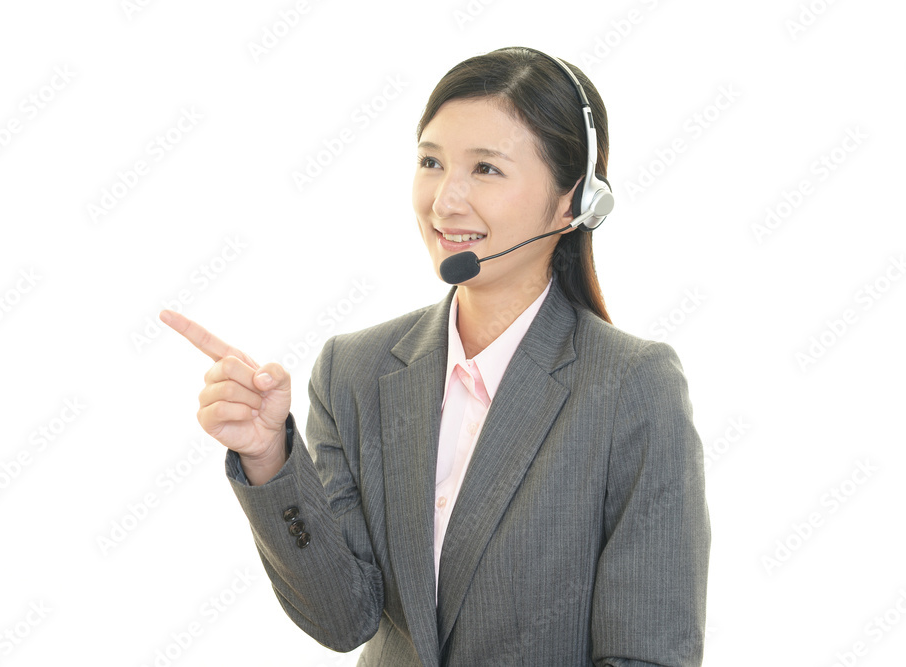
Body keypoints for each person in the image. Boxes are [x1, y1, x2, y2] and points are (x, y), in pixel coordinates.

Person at [161, 46, 711, 666]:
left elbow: (650, 652)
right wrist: (268, 457)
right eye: (431, 162)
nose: (445, 200)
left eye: (486, 169)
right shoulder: (353, 371)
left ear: (574, 201)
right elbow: (344, 619)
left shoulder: (631, 385)